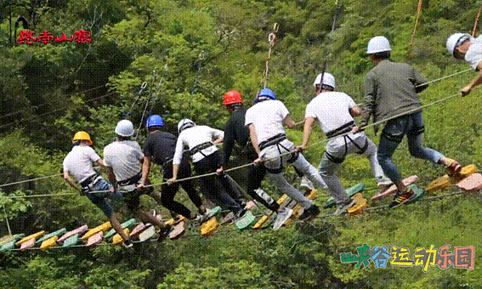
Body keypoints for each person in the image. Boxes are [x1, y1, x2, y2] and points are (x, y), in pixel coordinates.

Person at [355, 36, 462, 208]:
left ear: (372, 56)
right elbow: (423, 83)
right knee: (417, 149)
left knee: (382, 157)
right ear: (388, 52)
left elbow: (368, 102)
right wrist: (408, 92)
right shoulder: (405, 67)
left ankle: (403, 190)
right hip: (415, 113)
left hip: (396, 119)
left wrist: (362, 124)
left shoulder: (371, 75)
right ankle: (448, 161)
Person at [298, 72, 392, 215]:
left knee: (325, 172)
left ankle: (343, 201)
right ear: (332, 87)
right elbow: (356, 112)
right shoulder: (342, 95)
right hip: (355, 136)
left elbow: (309, 124)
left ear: (318, 87)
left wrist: (304, 143)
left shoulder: (312, 104)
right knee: (373, 152)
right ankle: (381, 179)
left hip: (336, 144)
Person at [245, 88, 327, 221]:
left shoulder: (250, 111)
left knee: (282, 184)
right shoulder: (278, 104)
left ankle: (310, 207)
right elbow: (291, 125)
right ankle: (334, 192)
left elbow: (252, 134)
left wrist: (260, 155)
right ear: (271, 97)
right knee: (307, 168)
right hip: (284, 145)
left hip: (268, 151)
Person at [217, 90, 293, 230]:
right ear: (241, 103)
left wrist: (223, 165)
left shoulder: (231, 122)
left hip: (256, 153)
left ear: (228, 107)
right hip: (274, 143)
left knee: (252, 188)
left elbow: (227, 145)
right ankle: (305, 178)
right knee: (289, 158)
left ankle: (280, 211)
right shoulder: (253, 110)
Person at [63, 131, 133, 248]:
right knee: (126, 197)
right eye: (87, 142)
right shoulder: (86, 150)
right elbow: (103, 164)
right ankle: (146, 217)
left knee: (110, 214)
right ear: (83, 141)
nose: (88, 144)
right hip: (97, 183)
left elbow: (66, 177)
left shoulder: (67, 159)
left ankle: (127, 240)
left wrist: (79, 189)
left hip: (87, 191)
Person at [103, 120, 171, 241]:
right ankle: (175, 211)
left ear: (117, 133)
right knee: (154, 194)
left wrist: (113, 185)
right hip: (141, 180)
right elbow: (143, 161)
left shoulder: (107, 150)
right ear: (130, 134)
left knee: (137, 211)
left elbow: (110, 172)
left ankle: (163, 226)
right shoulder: (134, 145)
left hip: (126, 187)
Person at [168, 119, 246, 219]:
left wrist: (174, 176)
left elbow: (177, 156)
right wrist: (214, 142)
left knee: (214, 188)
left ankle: (236, 209)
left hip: (200, 160)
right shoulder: (204, 127)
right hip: (214, 154)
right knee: (223, 178)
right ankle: (240, 201)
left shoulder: (182, 135)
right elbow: (224, 134)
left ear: (180, 129)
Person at [138, 114, 207, 221]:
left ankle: (193, 217)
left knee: (166, 200)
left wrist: (143, 182)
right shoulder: (170, 135)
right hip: (183, 162)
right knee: (189, 187)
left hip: (170, 165)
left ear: (148, 127)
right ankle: (202, 209)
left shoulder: (149, 139)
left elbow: (146, 163)